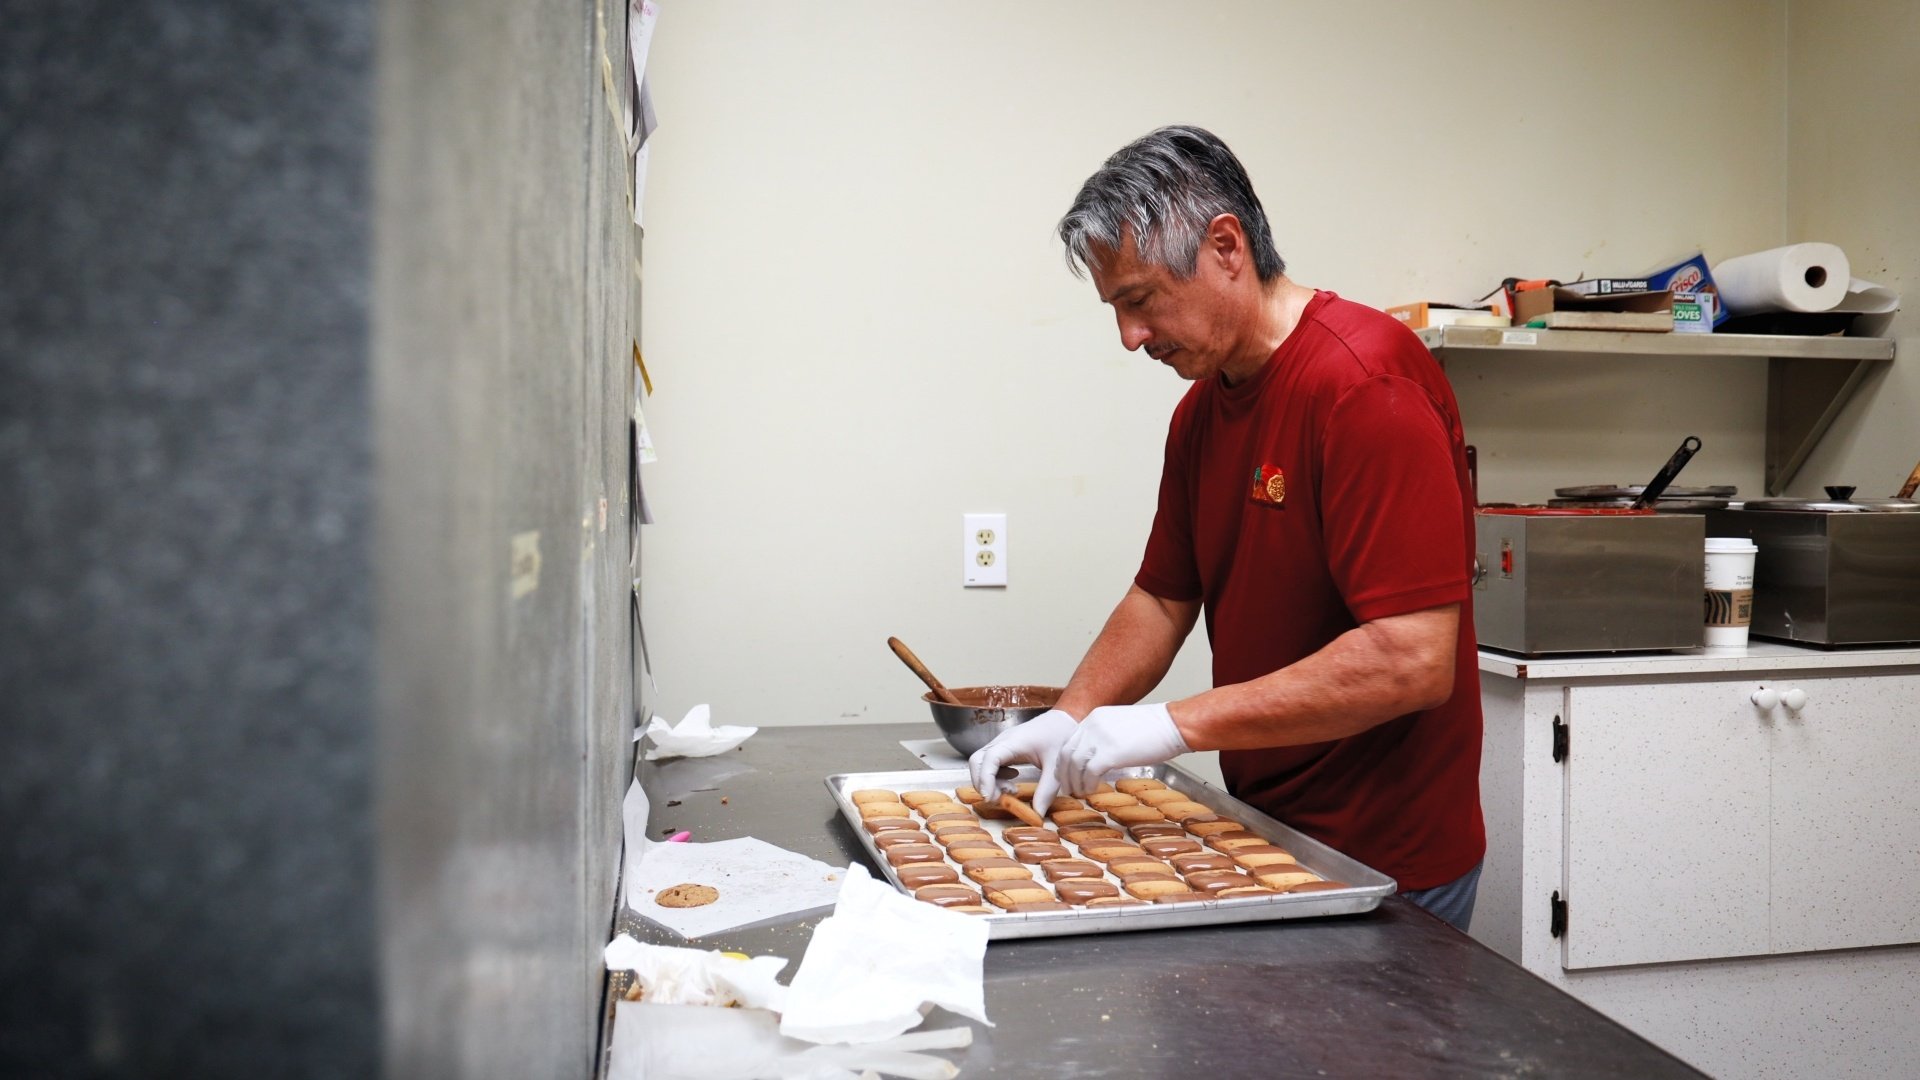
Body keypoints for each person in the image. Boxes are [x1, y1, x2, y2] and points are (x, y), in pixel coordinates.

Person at [968, 125, 1485, 930]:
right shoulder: (1200, 415)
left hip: (1386, 861)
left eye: (1140, 301)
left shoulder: (1363, 386)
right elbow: (1163, 599)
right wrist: (1066, 719)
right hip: (1268, 830)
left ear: (1226, 246)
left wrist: (1172, 725)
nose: (1130, 337)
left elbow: (1413, 659)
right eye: (1116, 309)